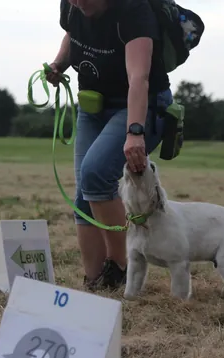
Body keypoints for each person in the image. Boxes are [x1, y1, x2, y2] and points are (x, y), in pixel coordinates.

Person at [46, 0, 173, 291]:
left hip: (138, 106)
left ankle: (122, 269)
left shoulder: (133, 10)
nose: (78, 3)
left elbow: (139, 78)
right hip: (93, 105)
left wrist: (135, 132)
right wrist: (58, 64)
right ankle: (96, 284)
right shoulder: (72, 6)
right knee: (85, 194)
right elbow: (73, 34)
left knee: (95, 173)